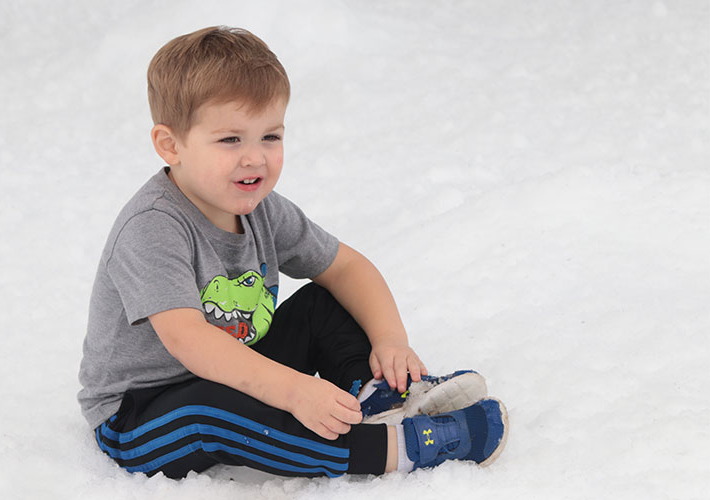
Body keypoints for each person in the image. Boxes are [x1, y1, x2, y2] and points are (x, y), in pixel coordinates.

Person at [77, 25, 508, 479]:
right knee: (212, 412)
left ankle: (381, 395)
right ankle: (397, 448)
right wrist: (291, 390)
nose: (255, 158)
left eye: (270, 137)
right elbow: (190, 341)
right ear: (171, 145)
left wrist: (390, 341)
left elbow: (346, 267)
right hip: (143, 415)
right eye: (230, 140)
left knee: (323, 301)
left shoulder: (262, 210)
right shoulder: (152, 227)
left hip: (235, 365)